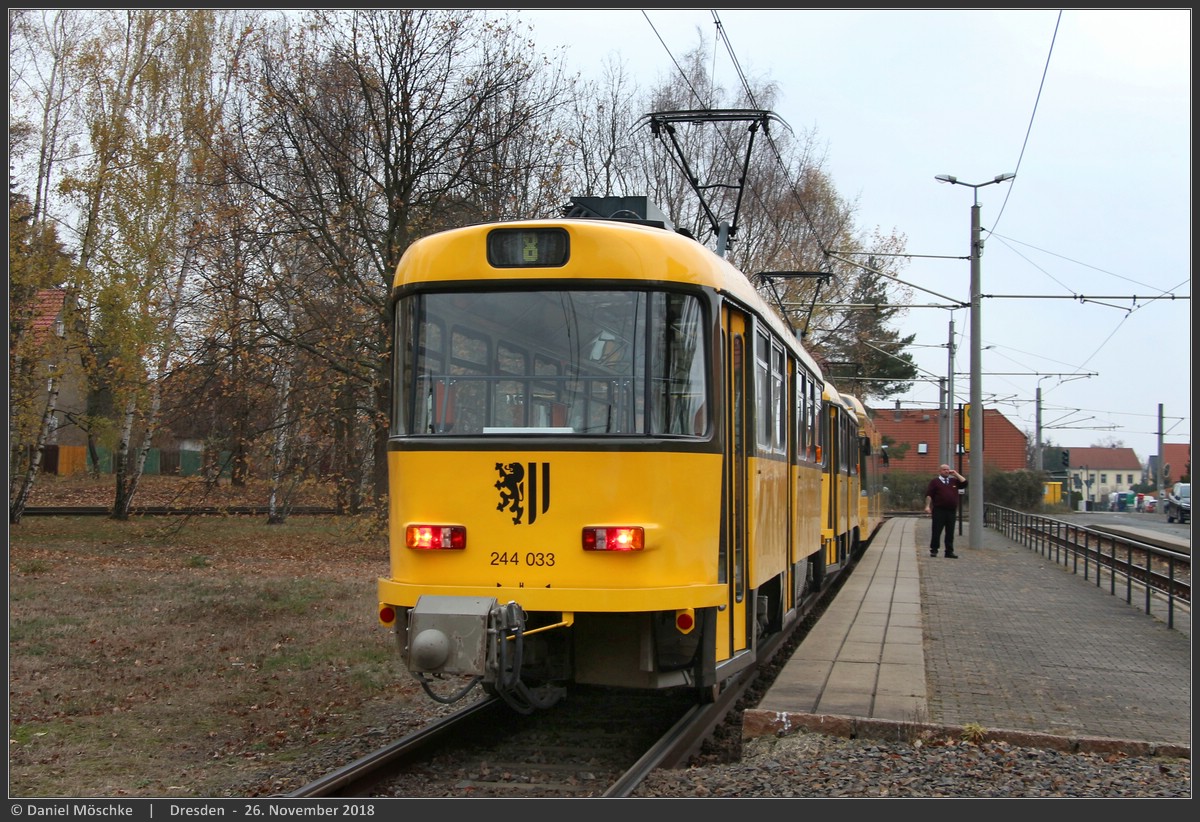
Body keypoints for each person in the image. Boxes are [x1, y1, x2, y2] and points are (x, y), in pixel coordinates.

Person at [924, 464, 966, 558]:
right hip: (939, 510)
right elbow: (929, 494)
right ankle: (934, 550)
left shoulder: (954, 481)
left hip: (951, 511)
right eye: (944, 470)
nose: (946, 471)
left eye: (948, 469)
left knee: (950, 532)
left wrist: (955, 474)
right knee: (936, 531)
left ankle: (949, 551)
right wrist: (927, 506)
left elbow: (965, 483)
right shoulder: (935, 482)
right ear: (940, 471)